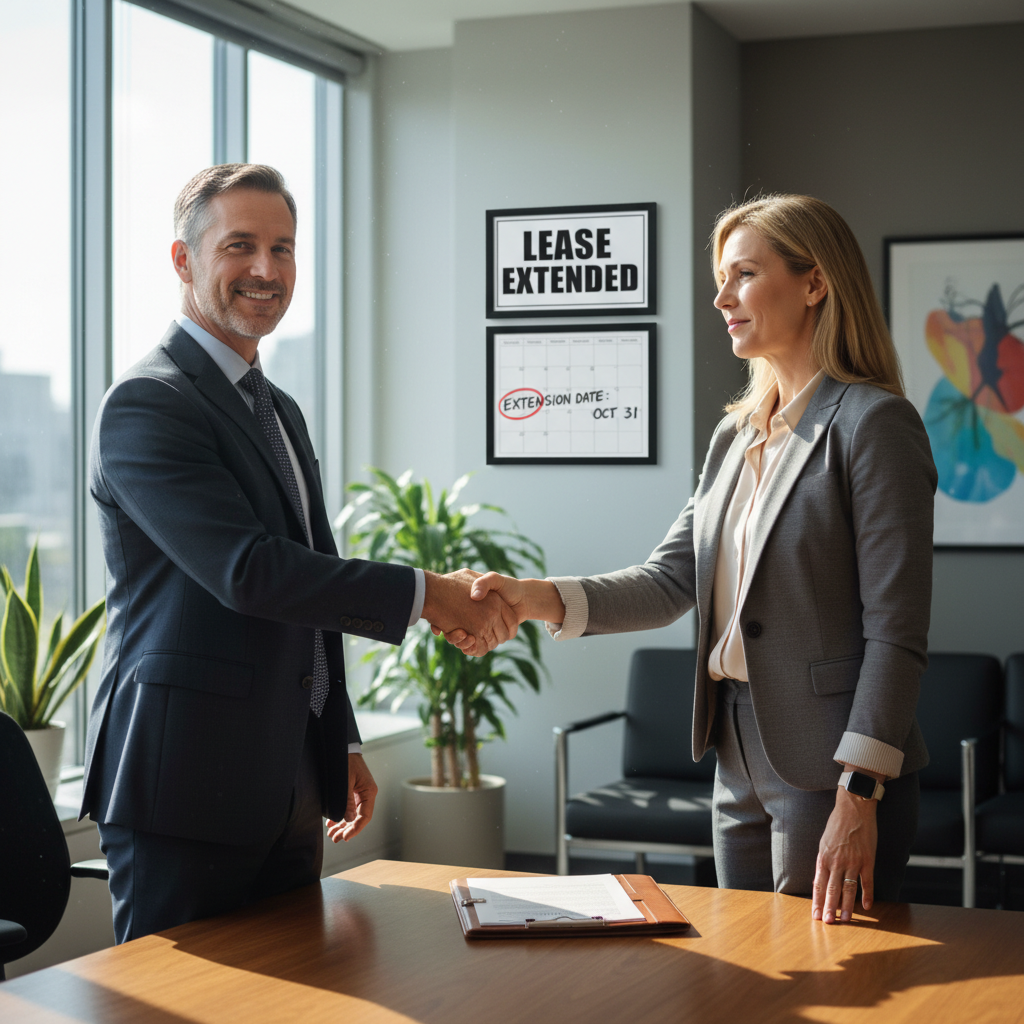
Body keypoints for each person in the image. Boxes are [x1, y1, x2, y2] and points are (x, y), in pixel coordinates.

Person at [455, 194, 937, 925]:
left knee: (831, 968)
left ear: (814, 283)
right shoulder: (735, 439)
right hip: (734, 750)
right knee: (743, 966)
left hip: (833, 766)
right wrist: (531, 598)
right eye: (721, 279)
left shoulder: (873, 425)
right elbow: (670, 579)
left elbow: (896, 632)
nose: (721, 299)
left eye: (744, 274)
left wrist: (860, 791)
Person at [82, 163, 513, 943]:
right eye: (239, 246)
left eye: (282, 248)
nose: (266, 268)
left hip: (286, 782)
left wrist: (335, 738)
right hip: (184, 789)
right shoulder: (148, 403)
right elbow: (250, 573)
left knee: (293, 990)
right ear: (183, 260)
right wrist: (429, 594)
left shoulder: (276, 407)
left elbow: (309, 582)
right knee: (180, 998)